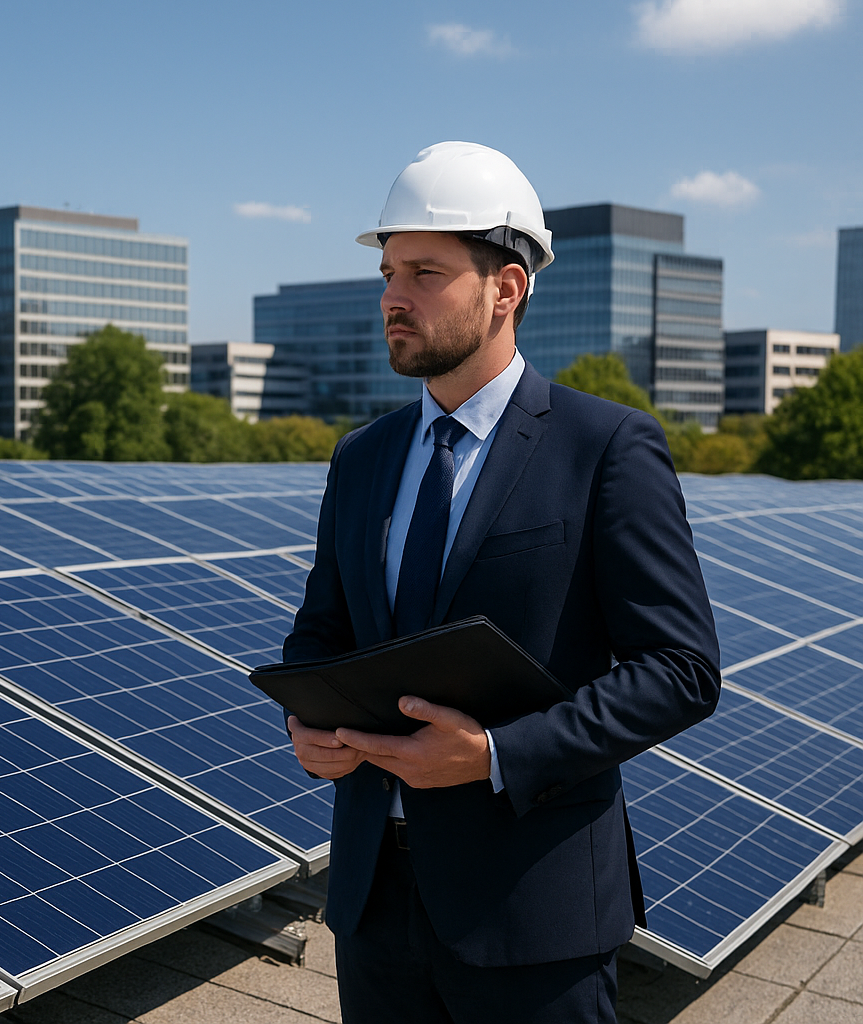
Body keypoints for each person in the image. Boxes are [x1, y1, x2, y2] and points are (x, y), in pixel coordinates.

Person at [283, 141, 720, 1024]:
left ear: (506, 289)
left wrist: (492, 756)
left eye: (424, 272)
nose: (392, 297)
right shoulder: (362, 459)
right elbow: (321, 631)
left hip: (535, 913)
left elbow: (680, 670)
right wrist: (308, 717)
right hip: (375, 905)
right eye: (388, 270)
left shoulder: (605, 449)